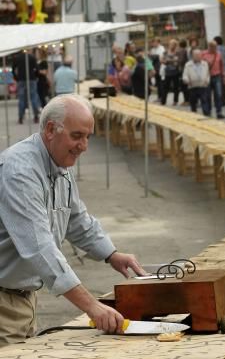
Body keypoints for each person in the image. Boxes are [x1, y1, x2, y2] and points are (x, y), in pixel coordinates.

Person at [0, 95, 145, 345]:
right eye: (77, 136)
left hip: (24, 298)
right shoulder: (20, 171)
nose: (84, 146)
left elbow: (76, 219)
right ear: (49, 130)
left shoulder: (59, 164)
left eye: (88, 137)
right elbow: (39, 248)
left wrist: (111, 254)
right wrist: (92, 306)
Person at [12, 49, 41, 124]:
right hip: (31, 79)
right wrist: (36, 76)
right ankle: (36, 117)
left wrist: (16, 78)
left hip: (21, 79)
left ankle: (20, 117)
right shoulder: (32, 57)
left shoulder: (17, 58)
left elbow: (13, 70)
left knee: (21, 99)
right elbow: (37, 69)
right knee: (34, 97)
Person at [202, 40, 225, 119]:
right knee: (207, 95)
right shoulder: (203, 54)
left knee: (218, 95)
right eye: (213, 47)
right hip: (207, 76)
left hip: (217, 76)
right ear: (209, 47)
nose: (215, 48)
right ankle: (208, 112)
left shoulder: (218, 54)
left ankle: (219, 112)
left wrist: (224, 76)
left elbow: (222, 65)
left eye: (215, 47)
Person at [182, 49, 210, 115]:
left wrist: (207, 81)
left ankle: (206, 115)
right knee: (193, 102)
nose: (198, 56)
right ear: (192, 56)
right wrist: (187, 81)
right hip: (192, 86)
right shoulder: (188, 65)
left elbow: (207, 74)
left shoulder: (205, 64)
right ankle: (194, 115)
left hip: (203, 86)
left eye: (199, 55)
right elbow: (185, 75)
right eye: (196, 55)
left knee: (204, 101)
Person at [161, 39, 181, 106]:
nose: (171, 46)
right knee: (165, 87)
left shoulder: (178, 52)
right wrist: (171, 61)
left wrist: (168, 61)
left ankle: (175, 101)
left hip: (175, 72)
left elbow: (178, 62)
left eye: (173, 44)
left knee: (176, 87)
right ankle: (163, 101)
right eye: (170, 44)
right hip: (167, 72)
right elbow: (162, 60)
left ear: (175, 45)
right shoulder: (165, 52)